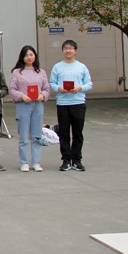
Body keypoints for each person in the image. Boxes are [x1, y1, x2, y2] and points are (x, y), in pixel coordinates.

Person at [49, 40, 93, 172]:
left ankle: (77, 160)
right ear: (62, 51)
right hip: (63, 103)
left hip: (78, 103)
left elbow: (89, 84)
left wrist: (80, 88)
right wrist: (59, 88)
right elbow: (52, 83)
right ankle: (66, 160)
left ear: (75, 51)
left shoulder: (82, 67)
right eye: (66, 48)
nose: (68, 50)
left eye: (71, 48)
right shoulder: (57, 67)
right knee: (64, 133)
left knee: (78, 133)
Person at [9, 45, 50, 172]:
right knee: (23, 135)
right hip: (23, 105)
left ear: (35, 56)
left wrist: (42, 95)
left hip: (37, 105)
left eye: (31, 54)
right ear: (22, 57)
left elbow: (46, 89)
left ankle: (36, 162)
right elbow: (12, 90)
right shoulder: (17, 72)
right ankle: (24, 162)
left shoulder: (41, 72)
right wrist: (22, 96)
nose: (29, 57)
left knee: (37, 135)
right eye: (26, 55)